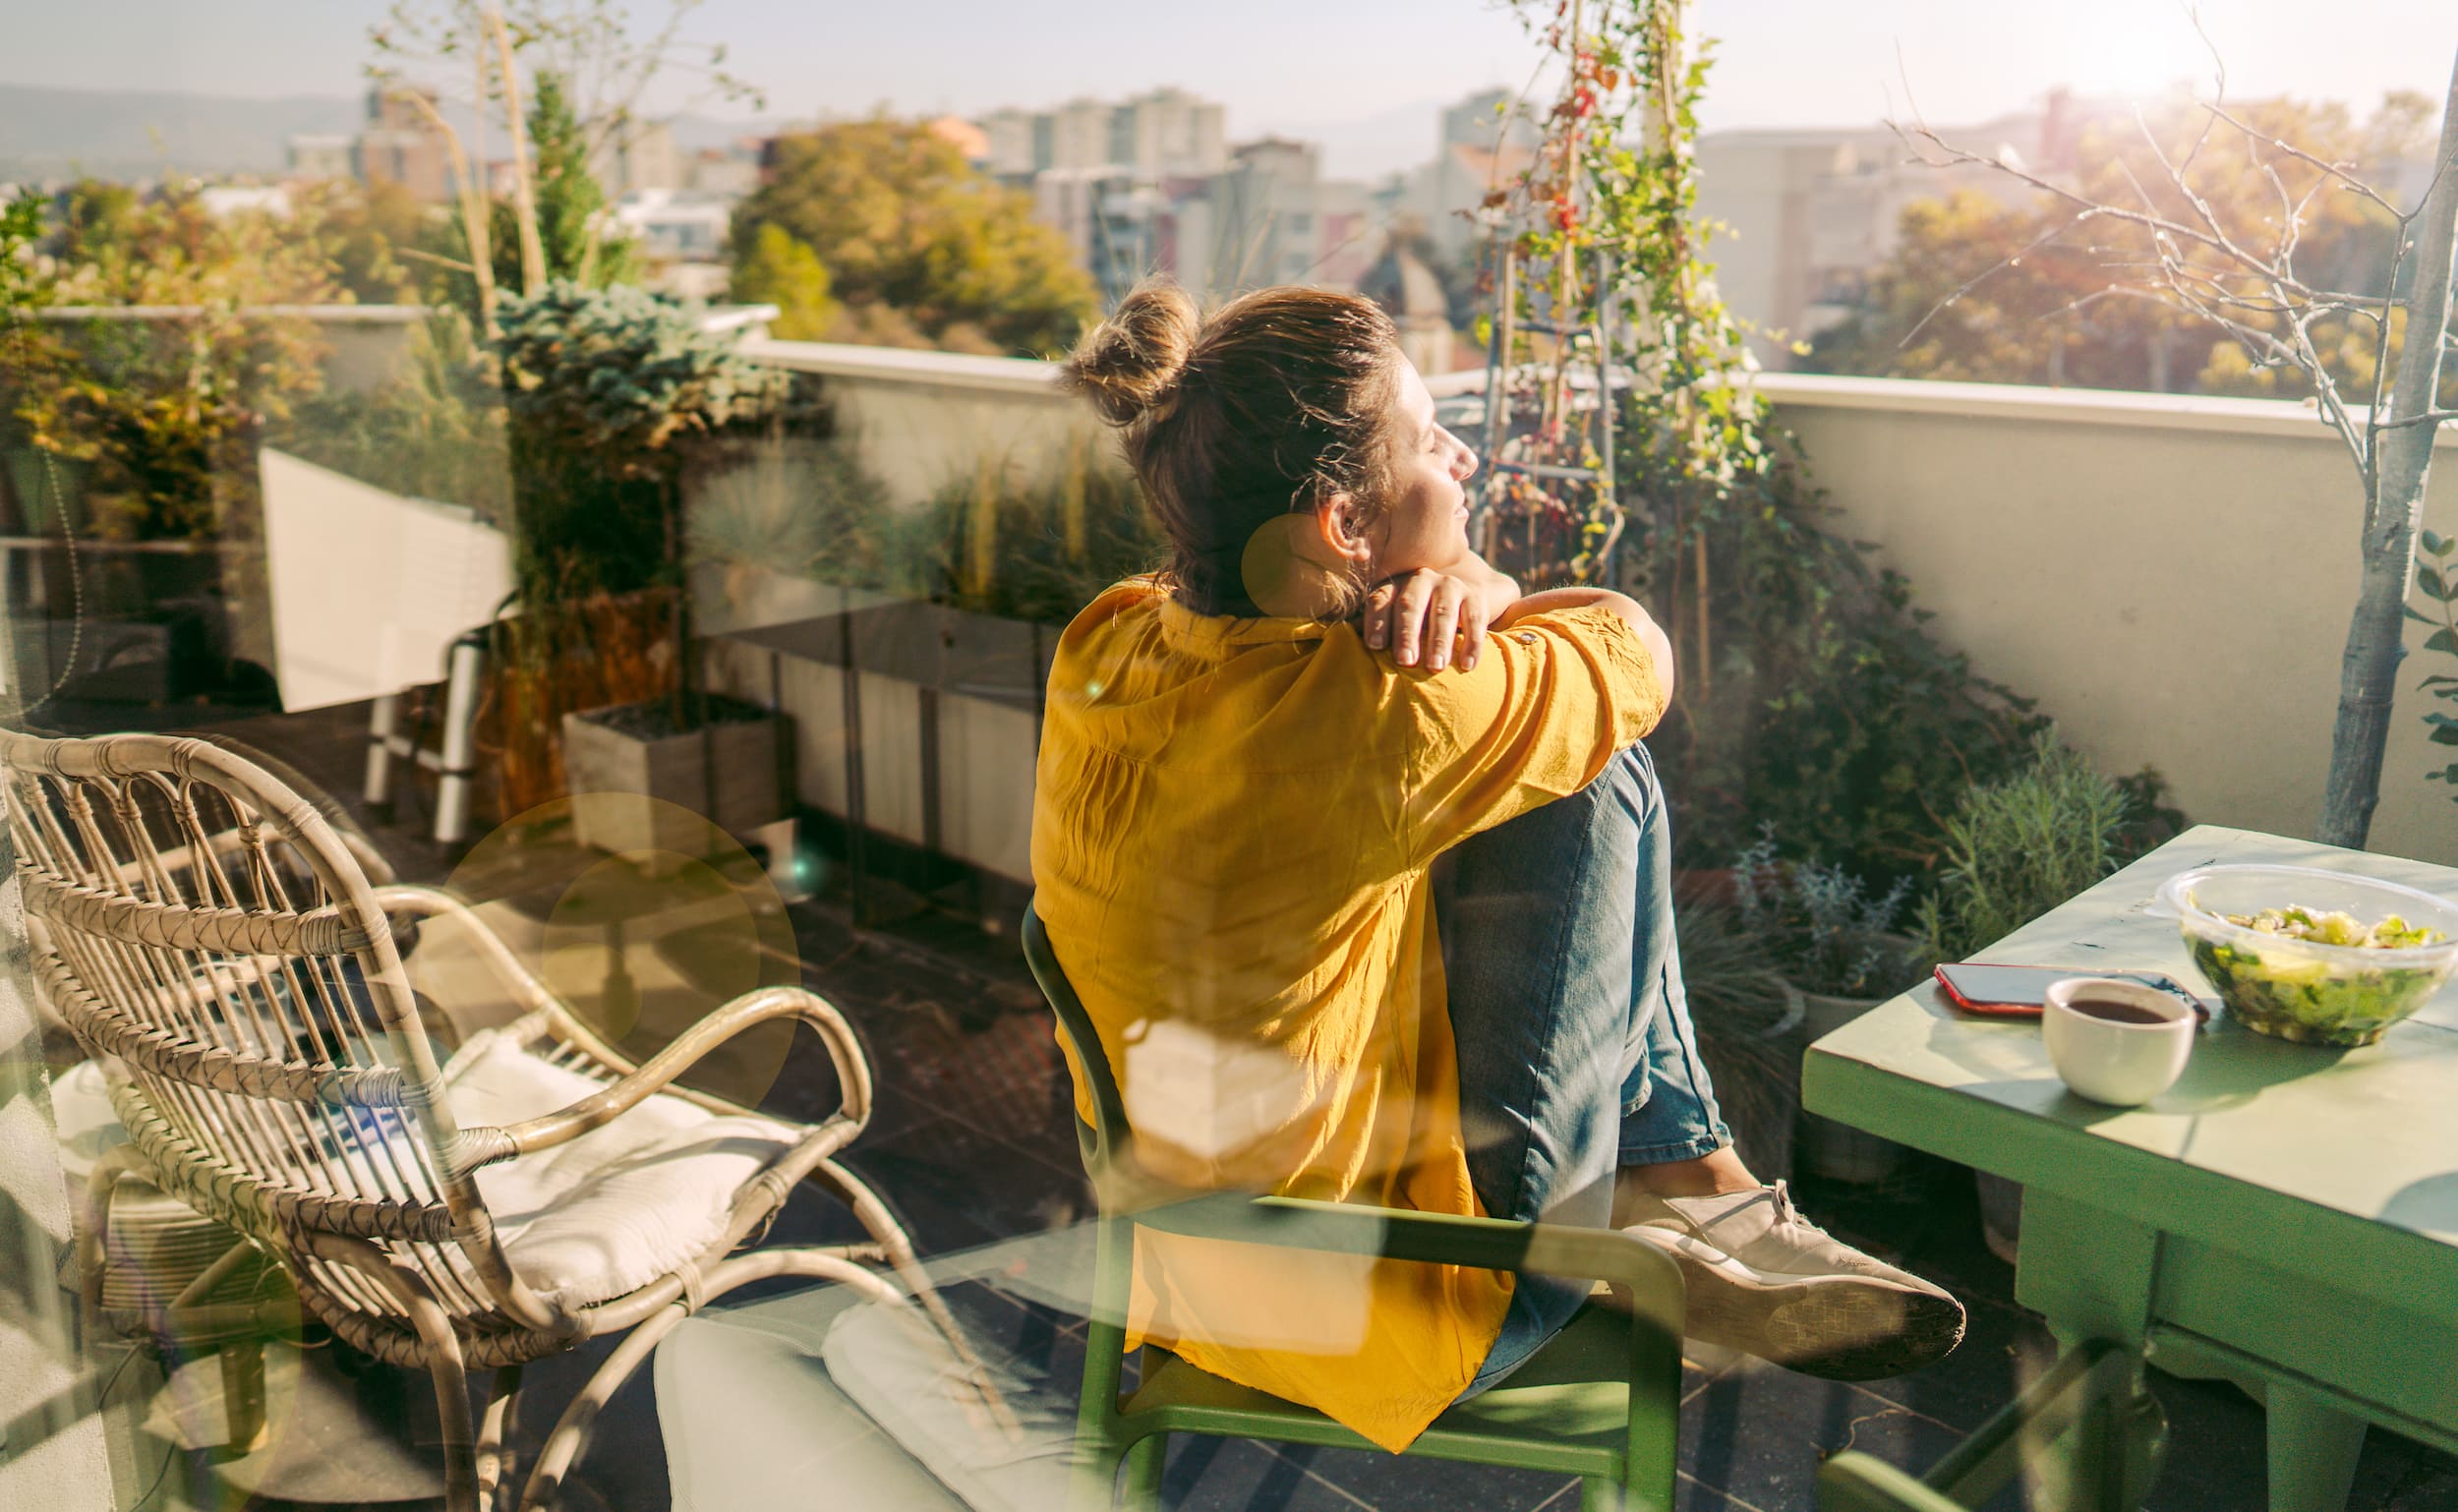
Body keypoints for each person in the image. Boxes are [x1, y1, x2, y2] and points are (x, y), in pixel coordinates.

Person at [1028, 279, 1962, 1455]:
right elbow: (1636, 655)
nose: (1460, 455)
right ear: (1342, 526)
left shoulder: (1107, 637)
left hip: (1181, 1269)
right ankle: (1683, 1192)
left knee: (1519, 772)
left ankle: (1689, 1192)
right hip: (1396, 1300)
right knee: (1595, 771)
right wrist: (1479, 590)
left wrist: (1460, 586)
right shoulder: (1389, 716)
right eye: (1428, 440)